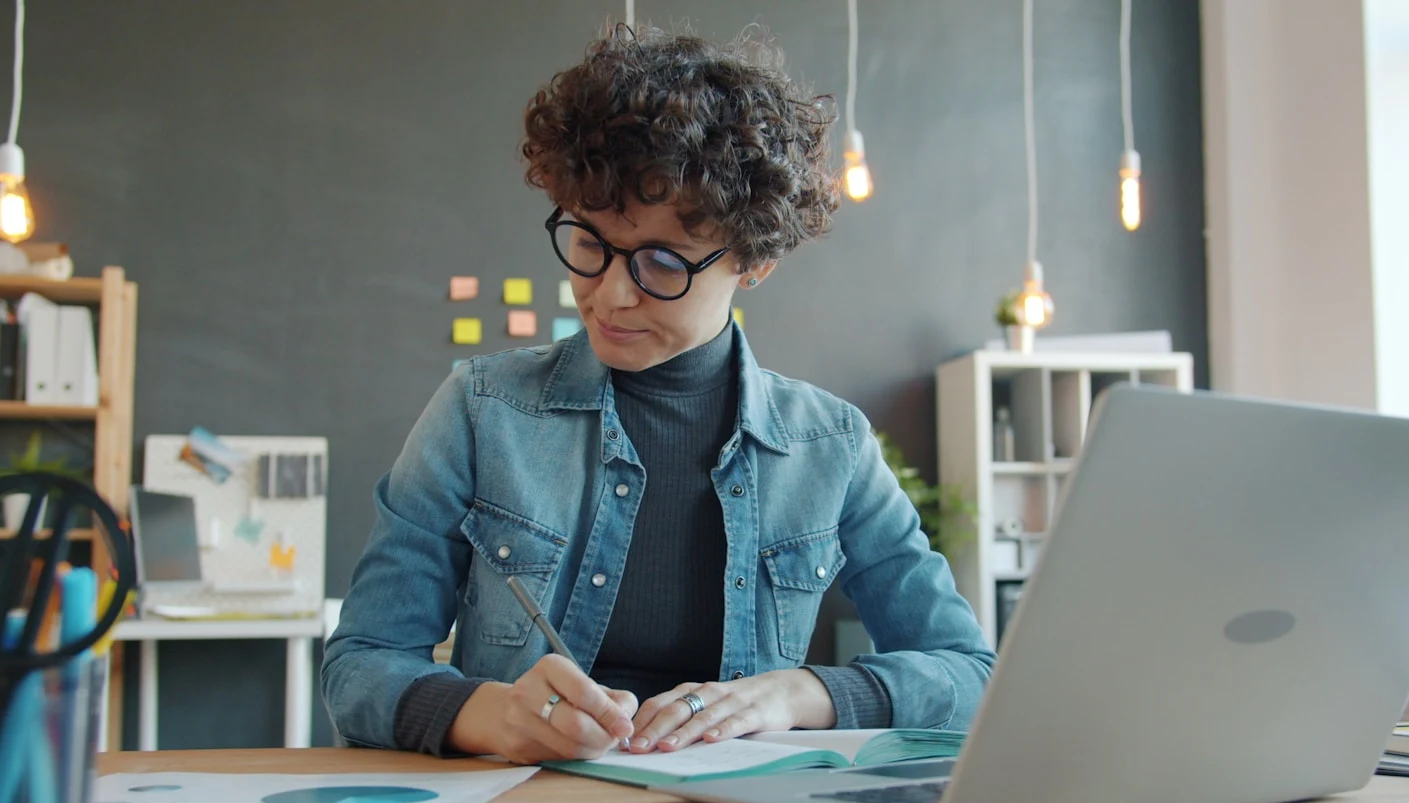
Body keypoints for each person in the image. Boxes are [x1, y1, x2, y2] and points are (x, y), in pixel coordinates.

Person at [321, 25, 994, 765]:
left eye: (662, 264)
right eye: (588, 244)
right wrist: (489, 713)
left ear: (754, 261)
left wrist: (795, 695)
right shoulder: (482, 410)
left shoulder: (829, 445)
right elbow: (360, 663)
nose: (609, 294)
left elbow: (969, 674)